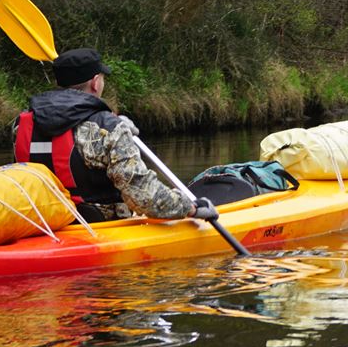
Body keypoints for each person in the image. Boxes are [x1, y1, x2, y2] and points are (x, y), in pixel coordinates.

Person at [12, 47, 216, 223]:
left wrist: (118, 126)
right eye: (102, 78)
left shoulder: (22, 124)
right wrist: (190, 207)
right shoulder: (107, 127)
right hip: (101, 228)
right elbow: (144, 197)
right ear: (95, 82)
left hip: (45, 225)